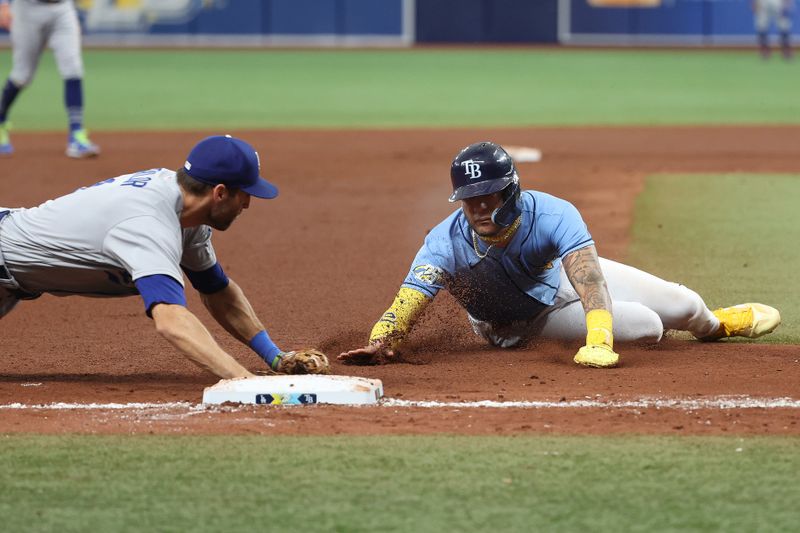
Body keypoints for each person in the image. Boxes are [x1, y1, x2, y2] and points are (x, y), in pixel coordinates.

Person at [339, 141, 781, 369]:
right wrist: (383, 342)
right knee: (647, 325)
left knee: (684, 305)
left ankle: (716, 325)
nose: (477, 208)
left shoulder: (552, 213)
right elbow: (409, 299)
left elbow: (588, 277)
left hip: (563, 280)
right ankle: (656, 327)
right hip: (519, 322)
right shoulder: (444, 242)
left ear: (511, 189)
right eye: (468, 199)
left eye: (488, 196)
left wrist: (599, 338)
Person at [0, 135, 329, 378]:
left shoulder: (185, 212)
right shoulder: (148, 223)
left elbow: (216, 291)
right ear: (219, 193)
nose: (248, 204)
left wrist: (275, 358)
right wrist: (243, 381)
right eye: (245, 194)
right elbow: (171, 321)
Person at [0, 0, 100, 158]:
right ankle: (1, 120)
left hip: (62, 8)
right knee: (22, 75)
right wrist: (3, 5)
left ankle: (76, 135)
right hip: (27, 10)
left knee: (73, 68)